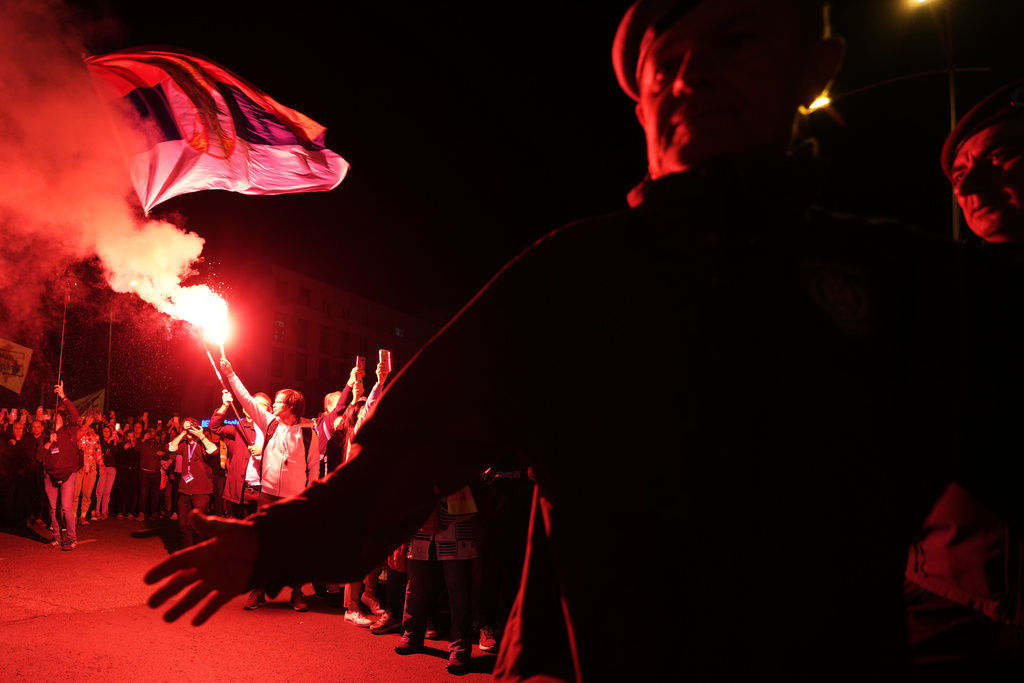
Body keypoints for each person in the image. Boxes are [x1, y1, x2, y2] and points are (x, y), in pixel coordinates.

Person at [145, 1, 1024, 678]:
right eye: (665, 62)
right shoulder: (573, 273)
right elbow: (418, 444)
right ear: (638, 96)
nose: (690, 77)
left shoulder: (899, 279)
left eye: (736, 42)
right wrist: (276, 543)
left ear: (816, 64)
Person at [902, 80, 1024, 674]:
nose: (968, 189)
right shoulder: (934, 302)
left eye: (1001, 159)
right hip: (949, 606)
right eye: (958, 178)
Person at [217, 358, 319, 613]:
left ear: (291, 406)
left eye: (278, 401)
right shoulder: (270, 423)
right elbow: (247, 401)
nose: (273, 403)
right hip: (269, 496)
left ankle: (297, 593)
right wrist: (230, 374)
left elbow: (314, 467)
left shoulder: (308, 433)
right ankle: (259, 591)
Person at [210, 390, 267, 521]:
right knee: (241, 530)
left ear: (269, 408)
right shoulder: (240, 428)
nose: (256, 407)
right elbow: (214, 427)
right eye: (253, 404)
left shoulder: (273, 428)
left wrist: (263, 451)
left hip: (264, 490)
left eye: (261, 404)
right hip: (242, 489)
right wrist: (225, 405)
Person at [36, 381, 80, 550]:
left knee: (66, 507)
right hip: (50, 474)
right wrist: (49, 442)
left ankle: (71, 539)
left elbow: (74, 415)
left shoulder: (70, 430)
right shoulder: (46, 435)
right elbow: (39, 456)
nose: (56, 417)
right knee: (53, 509)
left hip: (68, 473)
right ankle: (55, 537)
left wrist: (63, 397)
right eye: (54, 416)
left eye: (59, 416)